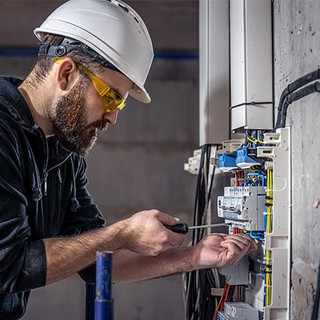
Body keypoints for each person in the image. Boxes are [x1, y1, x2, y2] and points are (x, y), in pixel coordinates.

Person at [0, 0, 257, 318]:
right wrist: (122, 233)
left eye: (119, 105)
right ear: (66, 73)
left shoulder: (64, 153)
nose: (112, 117)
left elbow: (98, 262)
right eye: (111, 97)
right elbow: (8, 265)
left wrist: (195, 256)